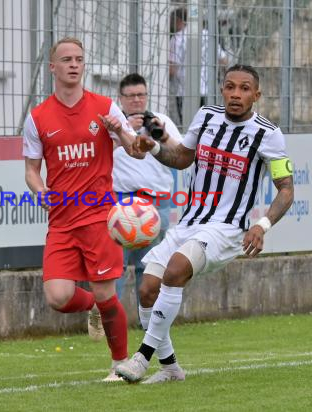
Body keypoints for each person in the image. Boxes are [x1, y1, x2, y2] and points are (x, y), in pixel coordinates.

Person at [115, 65, 295, 384]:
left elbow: (286, 189)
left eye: (243, 88)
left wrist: (262, 225)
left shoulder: (269, 134)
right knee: (146, 290)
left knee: (174, 271)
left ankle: (141, 358)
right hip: (190, 222)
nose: (235, 94)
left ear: (256, 94)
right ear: (222, 90)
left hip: (227, 228)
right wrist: (154, 147)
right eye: (229, 87)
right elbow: (183, 158)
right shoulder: (207, 116)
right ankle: (170, 368)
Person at [22, 37, 138, 382]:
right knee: (58, 296)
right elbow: (30, 169)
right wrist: (40, 189)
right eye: (66, 59)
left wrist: (121, 132)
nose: (74, 64)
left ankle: (120, 364)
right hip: (61, 221)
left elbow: (137, 151)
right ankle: (92, 309)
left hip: (100, 217)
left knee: (107, 293)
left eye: (79, 59)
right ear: (52, 68)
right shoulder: (38, 117)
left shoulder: (105, 108)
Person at [112, 73, 182, 305]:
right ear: (120, 98)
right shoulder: (114, 124)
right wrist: (126, 131)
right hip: (122, 201)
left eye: (141, 95)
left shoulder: (160, 120)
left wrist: (162, 135)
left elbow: (180, 152)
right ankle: (112, 320)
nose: (136, 100)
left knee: (151, 266)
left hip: (156, 201)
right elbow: (98, 154)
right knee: (116, 265)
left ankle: (150, 321)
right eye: (130, 96)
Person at [169, 7, 228, 125]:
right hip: (207, 90)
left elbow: (172, 68)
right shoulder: (207, 36)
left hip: (184, 91)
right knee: (207, 126)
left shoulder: (177, 38)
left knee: (188, 126)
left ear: (179, 20)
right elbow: (223, 60)